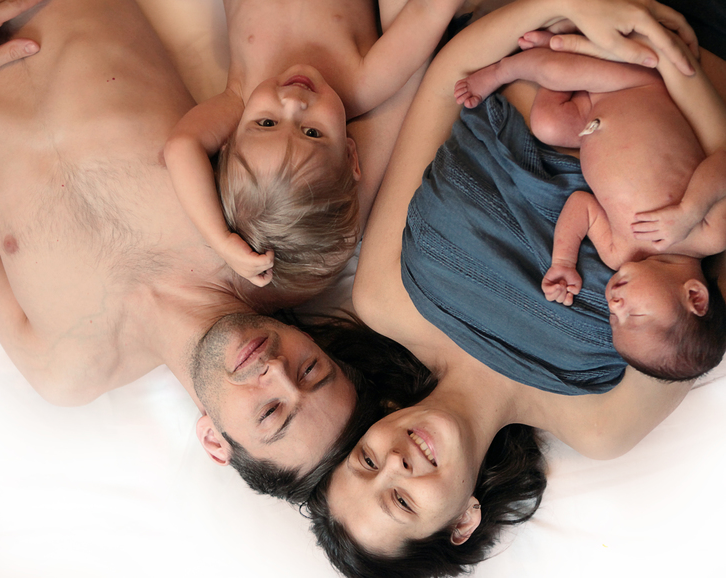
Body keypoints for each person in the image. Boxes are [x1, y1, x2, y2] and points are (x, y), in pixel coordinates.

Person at [302, 0, 726, 576]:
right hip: (700, 54)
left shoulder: (384, 300)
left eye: (367, 460)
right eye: (401, 501)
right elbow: (710, 262)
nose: (395, 462)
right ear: (463, 521)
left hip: (548, 26)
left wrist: (569, 6)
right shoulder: (599, 424)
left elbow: (443, 89)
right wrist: (677, 66)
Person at [0, 0, 425, 503]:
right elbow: (403, 82)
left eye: (271, 412)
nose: (276, 371)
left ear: (214, 441)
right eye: (311, 370)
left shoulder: (63, 368)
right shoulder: (284, 246)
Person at [454, 38, 726, 381]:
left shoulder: (618, 253)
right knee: (556, 72)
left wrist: (563, 262)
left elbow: (581, 206)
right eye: (634, 317)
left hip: (589, 121)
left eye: (614, 321)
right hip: (639, 86)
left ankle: (562, 47)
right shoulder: (708, 235)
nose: (615, 307)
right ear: (695, 297)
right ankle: (503, 70)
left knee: (547, 124)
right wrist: (688, 211)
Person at [163, 0, 465, 297]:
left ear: (228, 139)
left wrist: (222, 240)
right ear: (350, 155)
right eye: (312, 132)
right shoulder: (366, 82)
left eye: (267, 123)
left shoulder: (240, 98)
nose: (293, 102)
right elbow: (428, 9)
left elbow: (182, 147)